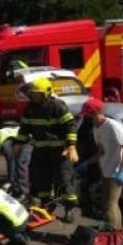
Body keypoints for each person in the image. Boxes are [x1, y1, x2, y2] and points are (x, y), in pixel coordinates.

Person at [13, 77, 79, 222]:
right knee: (41, 178)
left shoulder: (57, 106)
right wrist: (18, 143)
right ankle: (47, 205)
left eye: (38, 93)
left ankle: (68, 208)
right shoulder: (30, 108)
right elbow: (25, 127)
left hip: (59, 150)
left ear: (47, 92)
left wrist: (71, 146)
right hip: (40, 149)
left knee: (64, 179)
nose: (35, 96)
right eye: (33, 93)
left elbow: (70, 125)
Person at [79, 98, 123, 230]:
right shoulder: (97, 129)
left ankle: (112, 235)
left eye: (87, 115)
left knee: (109, 205)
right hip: (106, 170)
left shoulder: (113, 126)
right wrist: (87, 163)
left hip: (117, 171)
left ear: (95, 113)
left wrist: (122, 170)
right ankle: (118, 234)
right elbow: (102, 151)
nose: (86, 118)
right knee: (110, 204)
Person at [0, 126, 32, 201]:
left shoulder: (4, 144)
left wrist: (10, 182)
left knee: (21, 165)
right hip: (20, 139)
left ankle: (21, 193)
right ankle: (20, 190)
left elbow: (11, 162)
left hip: (26, 138)